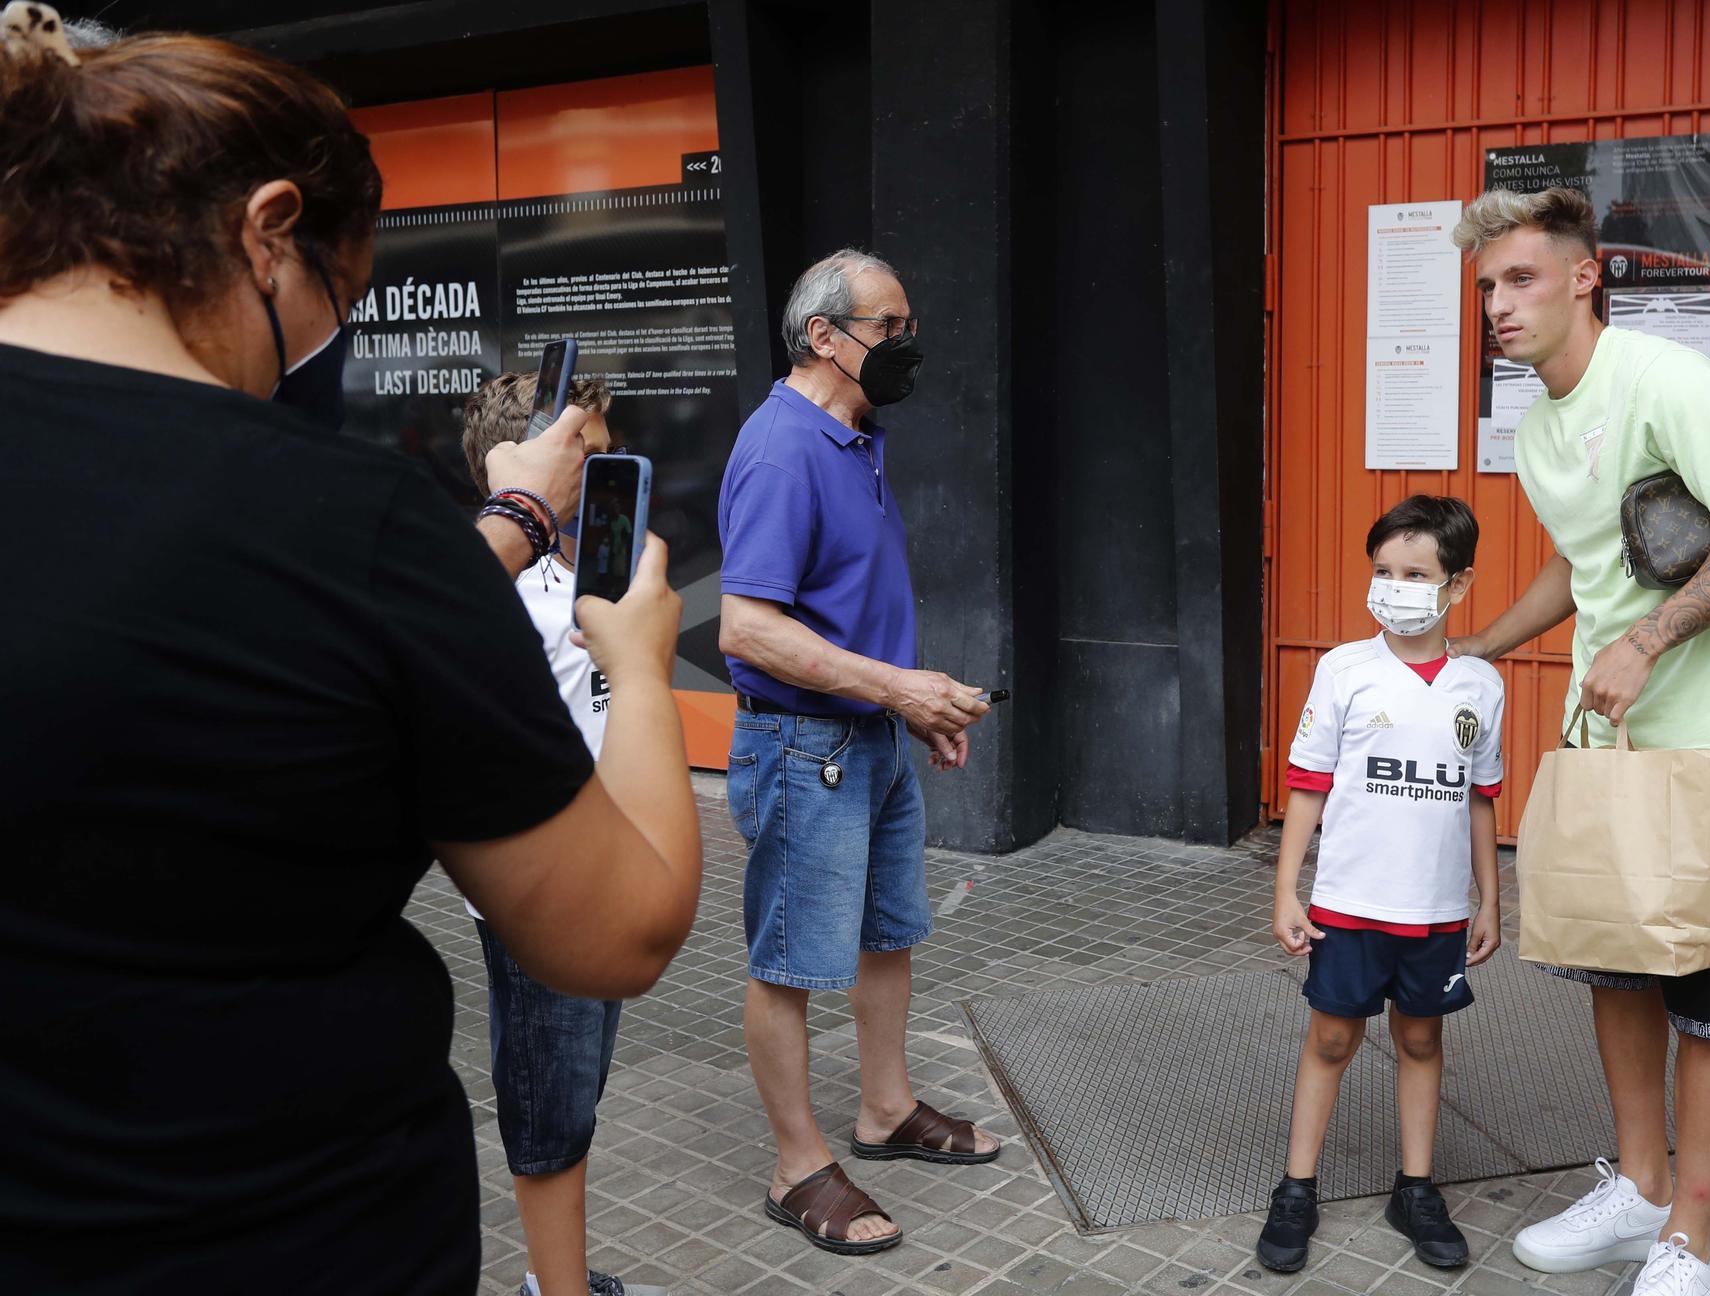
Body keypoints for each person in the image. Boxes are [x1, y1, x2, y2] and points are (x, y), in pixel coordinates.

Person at [0, 20, 701, 1293]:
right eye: (342, 295)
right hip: (293, 1232)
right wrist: (643, 667)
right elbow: (620, 934)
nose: (327, 339)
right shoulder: (339, 517)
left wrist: (511, 524)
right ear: (269, 230)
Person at [1447, 187, 1710, 1296]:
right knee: (1615, 971)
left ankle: (1688, 1240)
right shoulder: (1544, 418)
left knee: (1705, 998)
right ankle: (1639, 1190)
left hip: (1704, 749)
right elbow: (1579, 560)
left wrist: (1648, 638)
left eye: (1517, 280)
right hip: (1608, 747)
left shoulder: (1660, 382)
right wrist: (1477, 648)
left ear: (1582, 275)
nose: (1498, 308)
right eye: (1484, 290)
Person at [717, 248, 996, 1256]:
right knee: (788, 961)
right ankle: (796, 1166)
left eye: (908, 323)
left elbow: (840, 608)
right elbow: (744, 629)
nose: (906, 344)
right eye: (889, 326)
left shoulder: (853, 434)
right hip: (801, 749)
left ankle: (883, 1111)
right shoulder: (781, 449)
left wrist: (909, 709)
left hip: (868, 740)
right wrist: (897, 688)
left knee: (888, 934)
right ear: (823, 337)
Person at [1257, 496, 1505, 1276]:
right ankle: (1297, 1188)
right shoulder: (1344, 671)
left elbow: (1479, 797)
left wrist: (1489, 898)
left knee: (1422, 1039)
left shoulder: (1479, 687)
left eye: (1416, 573)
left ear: (1456, 586)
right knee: (1332, 1037)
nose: (1395, 586)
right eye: (1384, 571)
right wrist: (1285, 890)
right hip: (1348, 904)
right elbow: (1307, 784)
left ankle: (1417, 1188)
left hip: (1434, 911)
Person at [460, 372, 662, 1296]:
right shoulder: (498, 592)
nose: (614, 465)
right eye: (596, 449)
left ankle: (564, 1280)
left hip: (602, 865)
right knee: (551, 1100)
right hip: (547, 886)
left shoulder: (596, 577)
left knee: (578, 1083)